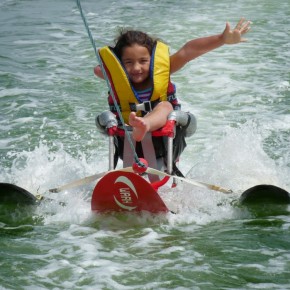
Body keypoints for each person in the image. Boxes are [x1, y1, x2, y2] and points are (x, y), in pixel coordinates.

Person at [94, 18, 251, 142]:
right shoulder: (114, 77)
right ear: (120, 63)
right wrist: (111, 67)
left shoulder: (164, 69)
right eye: (128, 62)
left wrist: (222, 39)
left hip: (165, 135)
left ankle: (145, 124)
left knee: (165, 105)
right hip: (126, 133)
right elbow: (97, 70)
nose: (136, 68)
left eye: (143, 61)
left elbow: (189, 50)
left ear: (153, 60)